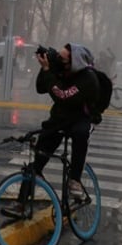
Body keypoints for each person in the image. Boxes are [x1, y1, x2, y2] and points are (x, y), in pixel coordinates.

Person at [24, 43, 100, 203]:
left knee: (81, 134)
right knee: (36, 163)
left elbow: (62, 96)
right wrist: (46, 66)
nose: (60, 61)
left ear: (75, 61)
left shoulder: (88, 78)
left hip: (81, 118)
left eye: (63, 59)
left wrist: (47, 71)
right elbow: (40, 87)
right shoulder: (61, 69)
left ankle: (75, 180)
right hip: (59, 119)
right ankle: (21, 203)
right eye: (59, 57)